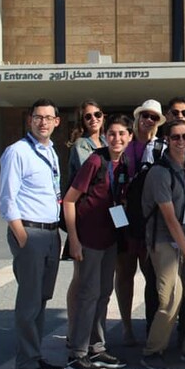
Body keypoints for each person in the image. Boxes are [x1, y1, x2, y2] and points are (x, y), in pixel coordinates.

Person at [62, 114, 134, 369]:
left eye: (122, 134)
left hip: (109, 240)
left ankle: (97, 347)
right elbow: (69, 200)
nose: (117, 138)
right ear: (106, 135)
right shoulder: (95, 160)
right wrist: (74, 240)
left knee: (103, 294)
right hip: (88, 240)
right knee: (87, 295)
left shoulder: (124, 163)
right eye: (112, 133)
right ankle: (76, 355)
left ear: (130, 137)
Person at [0, 98, 64, 369]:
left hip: (50, 233)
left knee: (41, 299)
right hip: (31, 233)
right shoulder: (17, 152)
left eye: (49, 118)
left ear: (57, 122)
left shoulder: (50, 151)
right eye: (38, 117)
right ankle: (26, 364)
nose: (43, 122)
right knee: (29, 302)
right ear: (30, 120)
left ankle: (35, 357)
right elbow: (7, 198)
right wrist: (21, 235)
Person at [140, 120, 185, 369]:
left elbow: (182, 196)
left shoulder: (184, 166)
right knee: (171, 297)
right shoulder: (159, 172)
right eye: (175, 137)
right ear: (167, 140)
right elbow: (170, 218)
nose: (181, 142)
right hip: (163, 241)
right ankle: (152, 351)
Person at [116, 99, 165, 346]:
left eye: (153, 117)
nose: (148, 120)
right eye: (145, 115)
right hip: (122, 217)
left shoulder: (161, 148)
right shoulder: (124, 143)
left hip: (148, 221)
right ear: (137, 118)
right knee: (124, 273)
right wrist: (117, 223)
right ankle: (126, 328)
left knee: (151, 275)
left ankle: (151, 328)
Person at [64, 100, 107, 346]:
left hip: (104, 219)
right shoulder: (82, 146)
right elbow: (91, 176)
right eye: (87, 116)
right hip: (84, 217)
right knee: (81, 280)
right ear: (82, 121)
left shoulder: (106, 141)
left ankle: (88, 333)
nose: (93, 119)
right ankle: (74, 331)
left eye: (97, 114)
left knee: (94, 283)